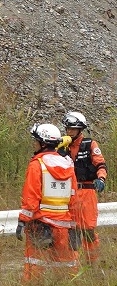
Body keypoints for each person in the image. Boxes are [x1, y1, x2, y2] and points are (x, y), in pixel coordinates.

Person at [18, 123, 79, 282]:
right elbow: (73, 198)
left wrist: (23, 221)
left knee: (35, 264)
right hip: (64, 224)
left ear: (43, 143)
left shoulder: (37, 165)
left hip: (41, 223)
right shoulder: (68, 164)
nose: (34, 143)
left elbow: (31, 197)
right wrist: (73, 224)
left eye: (36, 140)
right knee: (66, 265)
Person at [61, 110, 107, 264]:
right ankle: (74, 265)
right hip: (68, 193)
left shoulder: (90, 145)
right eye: (68, 129)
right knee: (71, 231)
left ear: (80, 129)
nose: (69, 131)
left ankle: (91, 262)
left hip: (87, 193)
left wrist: (101, 178)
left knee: (88, 230)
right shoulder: (62, 147)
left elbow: (100, 163)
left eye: (72, 129)